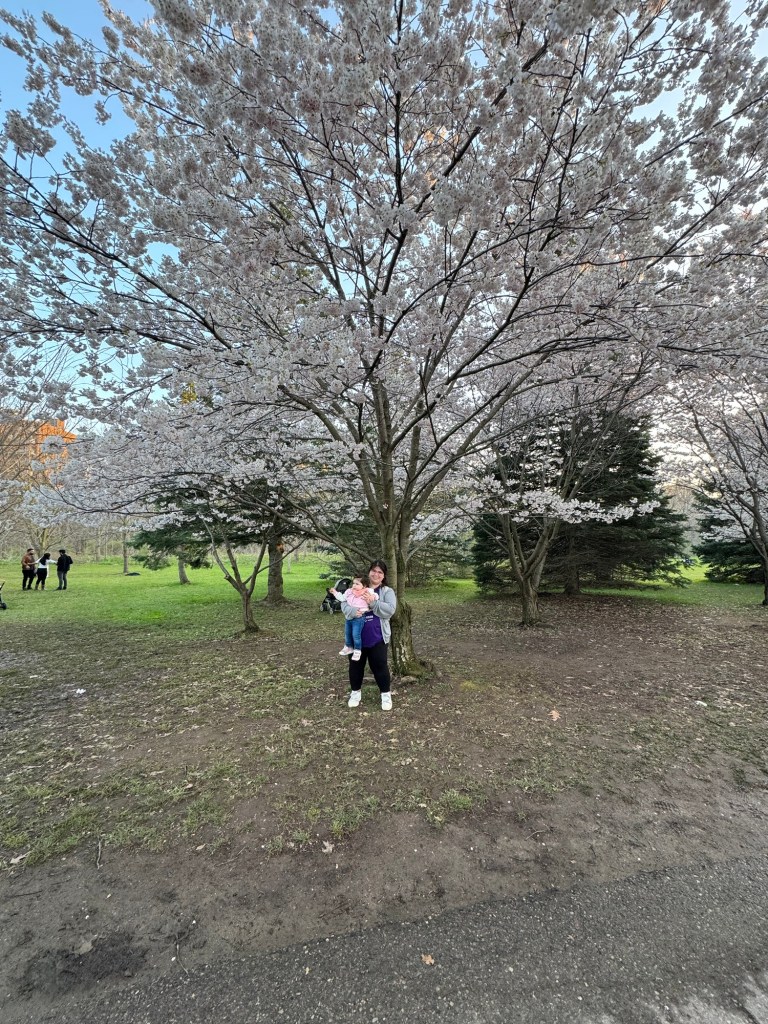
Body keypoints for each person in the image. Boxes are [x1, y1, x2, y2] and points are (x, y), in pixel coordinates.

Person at [341, 559, 397, 712]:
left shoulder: (386, 592)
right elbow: (344, 603)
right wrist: (352, 611)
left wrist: (373, 603)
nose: (376, 574)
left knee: (380, 666)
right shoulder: (357, 585)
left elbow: (390, 610)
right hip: (356, 637)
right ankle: (355, 694)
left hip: (377, 637)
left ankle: (386, 695)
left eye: (380, 572)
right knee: (355, 666)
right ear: (369, 571)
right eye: (374, 570)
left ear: (384, 576)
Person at [330, 576, 376, 661]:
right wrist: (335, 592)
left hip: (359, 618)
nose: (354, 585)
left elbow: (375, 596)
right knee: (347, 634)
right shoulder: (349, 591)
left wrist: (372, 597)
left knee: (356, 635)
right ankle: (348, 647)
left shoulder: (367, 591)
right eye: (353, 583)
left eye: (357, 584)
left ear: (364, 586)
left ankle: (357, 650)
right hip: (349, 617)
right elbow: (342, 598)